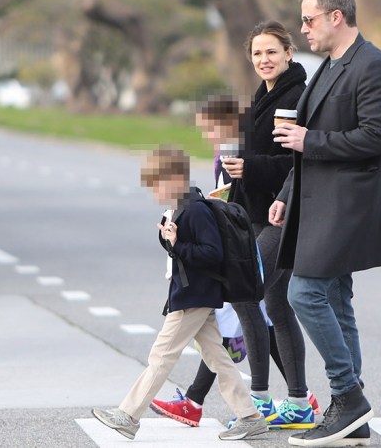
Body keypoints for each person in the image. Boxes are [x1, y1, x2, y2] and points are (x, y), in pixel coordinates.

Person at [269, 0, 381, 447]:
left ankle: (347, 395)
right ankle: (354, 417)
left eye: (308, 19)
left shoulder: (372, 65)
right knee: (337, 299)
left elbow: (375, 138)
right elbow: (304, 137)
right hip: (317, 201)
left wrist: (311, 142)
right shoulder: (328, 66)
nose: (302, 28)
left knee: (305, 293)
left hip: (349, 205)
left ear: (335, 17)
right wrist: (287, 190)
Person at [91, 146, 268, 441]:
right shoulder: (181, 207)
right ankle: (249, 415)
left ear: (174, 180)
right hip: (192, 294)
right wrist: (168, 239)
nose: (153, 193)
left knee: (161, 355)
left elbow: (212, 254)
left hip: (193, 297)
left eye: (155, 186)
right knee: (217, 357)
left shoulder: (196, 209)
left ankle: (128, 415)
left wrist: (178, 243)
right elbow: (182, 252)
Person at [223, 20, 317, 430]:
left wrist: (250, 167)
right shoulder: (263, 95)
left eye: (272, 52)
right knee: (276, 303)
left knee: (246, 291)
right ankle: (297, 402)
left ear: (289, 53)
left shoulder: (294, 96)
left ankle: (259, 400)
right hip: (255, 215)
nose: (264, 59)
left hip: (285, 213)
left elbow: (297, 161)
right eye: (258, 53)